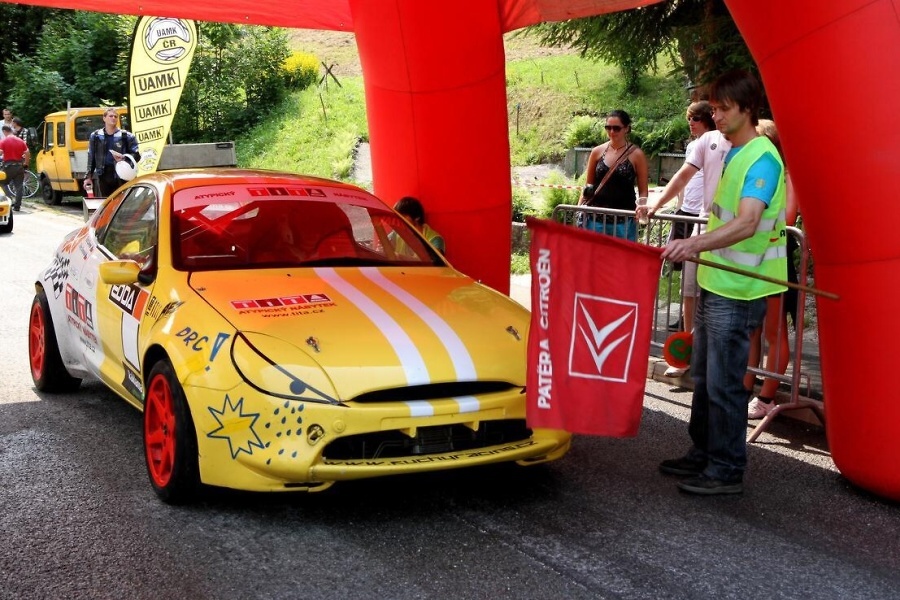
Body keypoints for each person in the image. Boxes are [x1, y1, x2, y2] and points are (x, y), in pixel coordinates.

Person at [657, 69, 787, 495]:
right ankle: (703, 453)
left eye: (724, 108)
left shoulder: (762, 157)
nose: (716, 116)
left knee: (725, 384)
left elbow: (748, 222)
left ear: (747, 109)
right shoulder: (734, 150)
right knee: (704, 376)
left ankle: (727, 468)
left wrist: (693, 244)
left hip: (740, 289)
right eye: (713, 108)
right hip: (718, 282)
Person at [745, 119, 800, 419]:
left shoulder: (787, 174)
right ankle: (745, 388)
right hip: (754, 258)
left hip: (777, 260)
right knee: (752, 329)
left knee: (774, 331)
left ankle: (766, 397)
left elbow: (788, 218)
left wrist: (754, 218)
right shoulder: (754, 170)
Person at [659, 101, 716, 376]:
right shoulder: (694, 145)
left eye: (696, 118)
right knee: (687, 286)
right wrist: (672, 207)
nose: (691, 123)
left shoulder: (719, 143)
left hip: (708, 221)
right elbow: (684, 179)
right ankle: (687, 348)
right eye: (689, 119)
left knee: (705, 289)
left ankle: (701, 351)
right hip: (689, 216)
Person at [579, 109, 649, 241]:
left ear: (626, 129)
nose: (612, 132)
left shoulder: (637, 154)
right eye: (608, 127)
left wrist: (642, 206)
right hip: (595, 219)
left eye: (616, 128)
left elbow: (643, 190)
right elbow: (588, 186)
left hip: (624, 220)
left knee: (624, 254)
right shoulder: (597, 152)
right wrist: (579, 210)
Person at [85, 107, 140, 197]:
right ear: (104, 118)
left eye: (115, 116)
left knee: (122, 200)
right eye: (111, 116)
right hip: (103, 174)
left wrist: (124, 158)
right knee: (107, 201)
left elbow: (136, 155)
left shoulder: (126, 136)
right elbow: (91, 157)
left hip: (122, 174)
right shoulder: (96, 136)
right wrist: (88, 177)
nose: (113, 118)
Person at [0, 124, 30, 211]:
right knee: (19, 186)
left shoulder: (4, 141)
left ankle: (9, 199)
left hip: (8, 166)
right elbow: (27, 152)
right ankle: (17, 206)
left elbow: (0, 152)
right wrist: (26, 163)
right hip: (19, 166)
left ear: (4, 131)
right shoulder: (20, 141)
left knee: (2, 183)